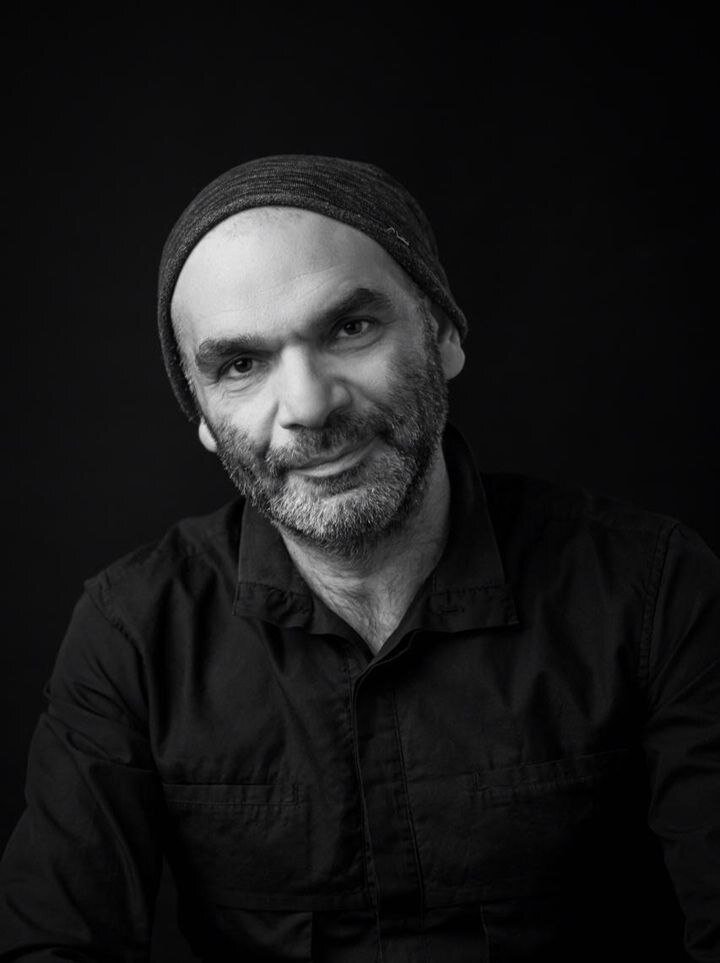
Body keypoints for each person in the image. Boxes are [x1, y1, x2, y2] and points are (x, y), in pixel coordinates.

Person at [1, 155, 718, 962]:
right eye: (240, 365)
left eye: (350, 328)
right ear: (201, 414)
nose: (308, 407)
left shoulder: (654, 591)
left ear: (443, 333)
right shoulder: (133, 630)